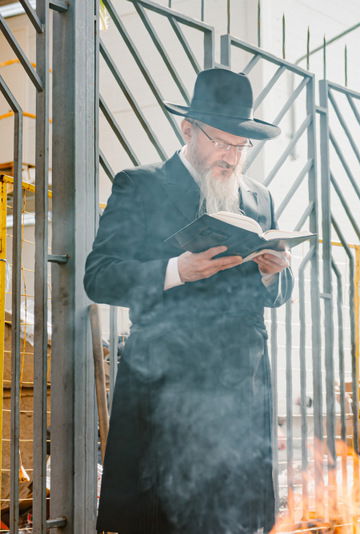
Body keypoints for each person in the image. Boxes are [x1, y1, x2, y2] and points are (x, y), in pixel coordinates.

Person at [85, 67, 293, 534]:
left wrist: (271, 277)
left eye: (241, 147)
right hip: (167, 384)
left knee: (236, 521)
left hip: (242, 385)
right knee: (165, 518)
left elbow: (278, 296)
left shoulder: (259, 197)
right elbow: (99, 278)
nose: (231, 156)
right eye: (221, 142)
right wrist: (178, 270)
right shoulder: (141, 185)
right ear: (187, 129)